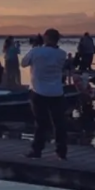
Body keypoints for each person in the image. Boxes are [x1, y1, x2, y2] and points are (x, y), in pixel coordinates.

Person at [22, 28, 69, 160]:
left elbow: (24, 63)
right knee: (59, 123)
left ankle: (37, 150)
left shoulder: (36, 51)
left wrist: (34, 47)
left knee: (41, 123)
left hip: (39, 92)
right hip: (57, 92)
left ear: (46, 38)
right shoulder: (62, 54)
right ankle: (61, 151)